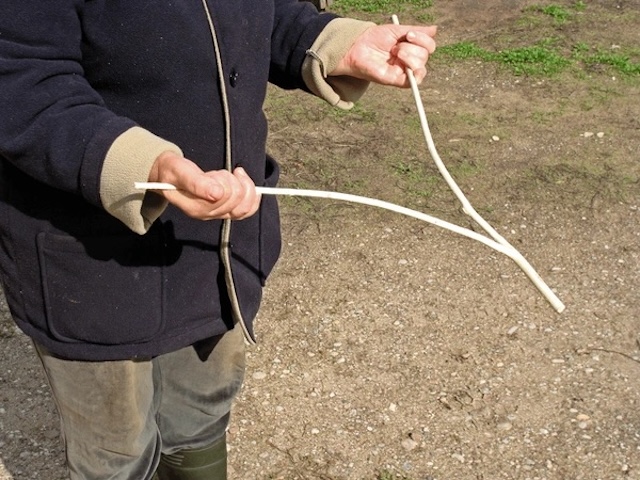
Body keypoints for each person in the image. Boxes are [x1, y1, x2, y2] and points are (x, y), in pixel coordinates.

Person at [0, 1, 436, 479]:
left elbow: (260, 16)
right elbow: (22, 81)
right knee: (115, 454)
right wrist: (146, 167)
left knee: (201, 415)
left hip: (216, 249)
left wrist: (333, 42)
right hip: (90, 267)